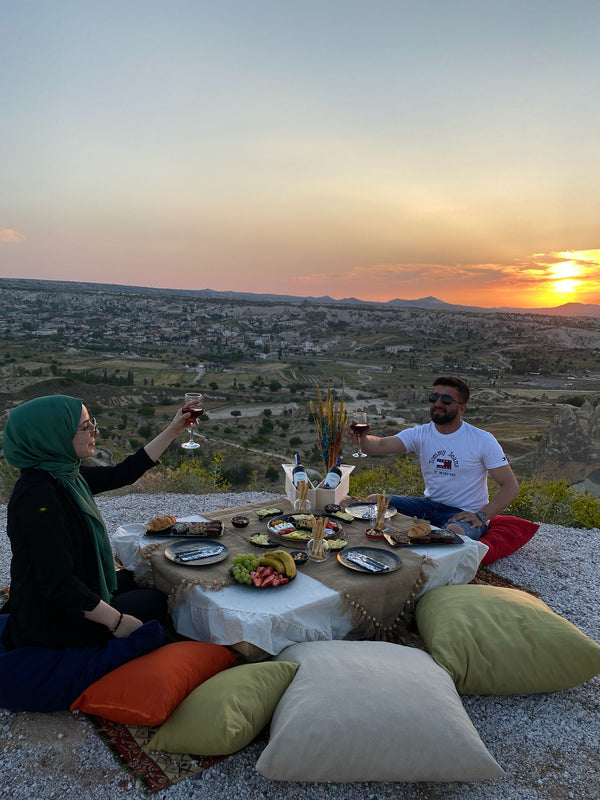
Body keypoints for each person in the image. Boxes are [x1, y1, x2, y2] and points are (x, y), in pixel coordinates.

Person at [1, 394, 194, 650]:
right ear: (52, 435)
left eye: (92, 422)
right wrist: (116, 622)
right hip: (55, 620)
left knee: (143, 577)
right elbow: (58, 583)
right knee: (156, 599)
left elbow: (122, 474)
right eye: (85, 426)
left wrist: (172, 430)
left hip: (76, 588)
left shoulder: (64, 474)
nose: (95, 431)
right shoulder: (37, 497)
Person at [346, 376, 519, 539]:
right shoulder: (421, 434)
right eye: (434, 397)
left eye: (446, 400)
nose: (438, 403)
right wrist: (362, 439)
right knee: (374, 501)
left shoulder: (481, 440)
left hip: (462, 513)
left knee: (453, 532)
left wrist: (481, 515)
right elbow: (379, 445)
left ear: (462, 408)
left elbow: (510, 486)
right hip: (429, 506)